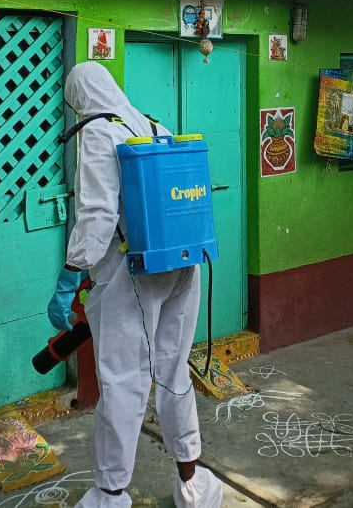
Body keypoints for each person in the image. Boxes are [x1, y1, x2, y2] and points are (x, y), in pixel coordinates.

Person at [59, 61, 222, 508]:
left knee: (123, 381)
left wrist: (72, 271)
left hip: (131, 275)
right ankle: (192, 483)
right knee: (172, 371)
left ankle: (110, 494)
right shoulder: (153, 124)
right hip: (183, 264)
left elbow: (97, 214)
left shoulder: (98, 132)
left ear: (78, 97)